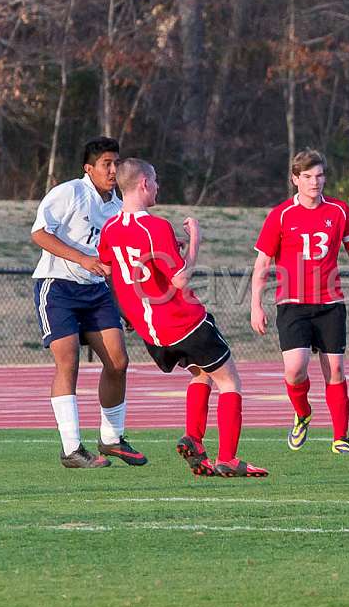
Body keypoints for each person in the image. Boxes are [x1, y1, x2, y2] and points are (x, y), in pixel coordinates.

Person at [97, 158, 267, 478]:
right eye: (156, 180)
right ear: (144, 184)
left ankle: (196, 442)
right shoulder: (156, 226)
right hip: (182, 320)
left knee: (201, 375)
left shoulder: (110, 229)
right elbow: (179, 279)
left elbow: (108, 269)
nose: (158, 186)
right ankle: (228, 458)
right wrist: (195, 242)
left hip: (152, 334)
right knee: (230, 382)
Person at [250, 149, 349, 455]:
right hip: (292, 303)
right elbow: (262, 264)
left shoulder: (339, 211)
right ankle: (302, 413)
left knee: (335, 370)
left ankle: (340, 438)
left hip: (330, 302)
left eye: (320, 175)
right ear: (295, 179)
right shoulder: (281, 215)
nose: (315, 182)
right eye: (308, 176)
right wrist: (256, 304)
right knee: (295, 370)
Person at [30, 137, 145, 469]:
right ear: (89, 168)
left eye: (117, 163)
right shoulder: (70, 193)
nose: (113, 170)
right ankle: (71, 450)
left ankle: (111, 439)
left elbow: (120, 257)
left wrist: (129, 307)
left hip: (97, 291)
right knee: (68, 363)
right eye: (107, 164)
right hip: (58, 288)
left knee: (118, 362)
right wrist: (81, 258)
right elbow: (39, 233)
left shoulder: (117, 206)